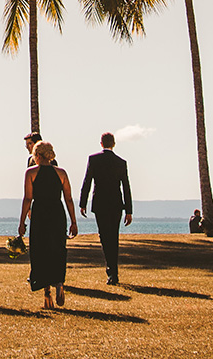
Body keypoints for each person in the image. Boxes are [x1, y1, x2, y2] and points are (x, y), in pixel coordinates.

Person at [18, 140, 77, 309]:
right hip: (57, 213)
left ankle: (47, 294)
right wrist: (73, 221)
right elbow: (69, 199)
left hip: (40, 214)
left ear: (37, 156)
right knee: (58, 249)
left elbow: (28, 198)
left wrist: (22, 221)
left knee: (40, 251)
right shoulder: (61, 173)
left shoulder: (31, 173)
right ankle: (59, 282)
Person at [79, 132, 134, 285]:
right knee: (113, 237)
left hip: (101, 204)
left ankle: (112, 271)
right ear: (113, 144)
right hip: (116, 204)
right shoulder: (121, 162)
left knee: (105, 237)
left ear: (101, 143)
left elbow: (87, 181)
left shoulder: (94, 159)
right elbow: (126, 188)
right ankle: (113, 272)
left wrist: (83, 203)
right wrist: (129, 210)